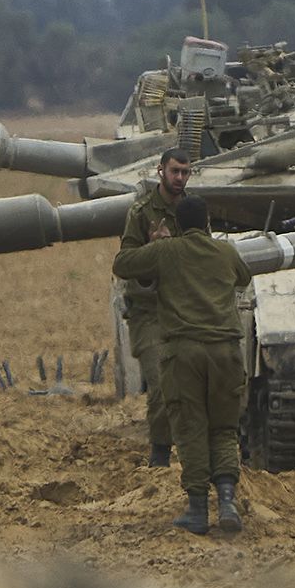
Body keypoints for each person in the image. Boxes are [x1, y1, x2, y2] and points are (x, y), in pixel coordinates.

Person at [113, 194, 255, 535]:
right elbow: (243, 277)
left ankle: (197, 508)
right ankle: (227, 501)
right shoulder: (225, 252)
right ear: (207, 223)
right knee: (223, 428)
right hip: (225, 352)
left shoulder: (167, 251)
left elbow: (122, 265)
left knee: (191, 428)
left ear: (179, 223)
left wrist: (155, 245)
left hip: (185, 353)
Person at [117, 148, 190, 468]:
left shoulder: (193, 210)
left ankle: (196, 453)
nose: (180, 178)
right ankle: (160, 454)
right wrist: (153, 249)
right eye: (175, 171)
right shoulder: (142, 212)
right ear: (161, 171)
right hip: (149, 312)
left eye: (185, 172)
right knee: (161, 384)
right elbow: (124, 263)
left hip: (186, 310)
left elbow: (204, 251)